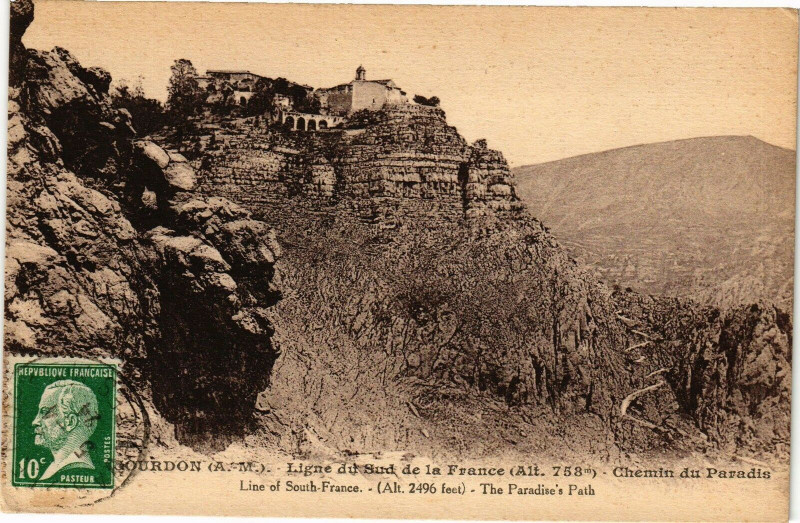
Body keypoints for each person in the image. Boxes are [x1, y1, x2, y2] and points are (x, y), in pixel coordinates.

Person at [31, 380, 99, 480]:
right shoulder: (55, 468)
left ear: (70, 422)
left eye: (45, 413)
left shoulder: (74, 468)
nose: (35, 421)